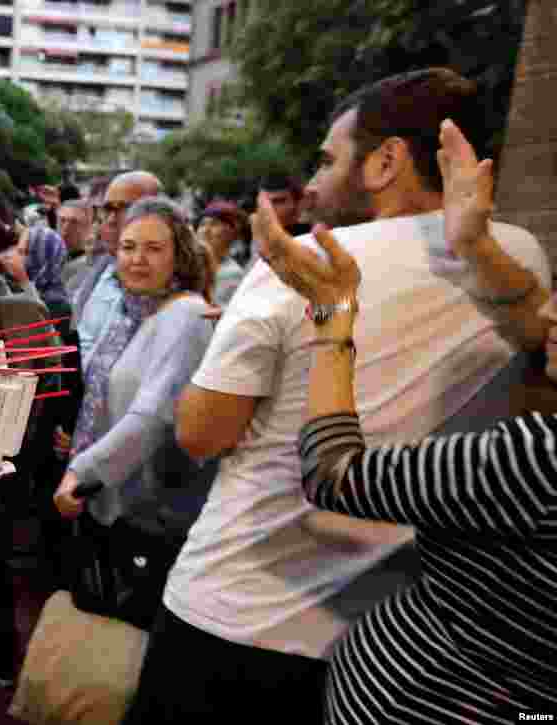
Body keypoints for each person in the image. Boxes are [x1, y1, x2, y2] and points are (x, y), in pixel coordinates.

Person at [125, 68, 552, 722]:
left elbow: (201, 433)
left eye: (328, 160)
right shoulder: (516, 261)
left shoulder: (302, 266)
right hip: (400, 630)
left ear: (385, 161)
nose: (314, 183)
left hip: (237, 610)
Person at [254, 118, 557, 723]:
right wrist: (473, 244)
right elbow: (538, 332)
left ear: (385, 161)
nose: (553, 308)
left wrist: (333, 318)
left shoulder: (539, 459)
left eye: (326, 161)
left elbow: (336, 474)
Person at [52, 197, 218, 629]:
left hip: (152, 517)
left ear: (179, 255)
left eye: (153, 248)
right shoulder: (138, 312)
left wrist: (82, 470)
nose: (137, 259)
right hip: (119, 506)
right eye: (127, 247)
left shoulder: (186, 316)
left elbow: (151, 417)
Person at [71, 171, 162, 374]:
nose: (111, 219)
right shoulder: (100, 270)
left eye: (124, 209)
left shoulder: (167, 288)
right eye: (108, 208)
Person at [196, 199, 246, 306]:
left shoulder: (233, 274)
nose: (205, 230)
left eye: (214, 224)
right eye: (202, 224)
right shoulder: (184, 266)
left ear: (233, 232)